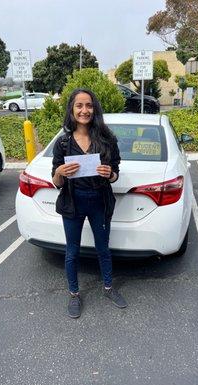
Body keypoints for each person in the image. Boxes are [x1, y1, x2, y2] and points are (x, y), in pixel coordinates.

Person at [52, 88, 127, 318]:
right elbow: (56, 182)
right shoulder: (63, 143)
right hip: (73, 203)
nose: (84, 110)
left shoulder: (107, 139)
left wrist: (110, 174)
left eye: (89, 106)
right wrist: (61, 172)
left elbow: (115, 172)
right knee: (72, 252)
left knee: (103, 248)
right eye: (79, 106)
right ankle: (74, 294)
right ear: (72, 109)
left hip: (99, 201)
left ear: (95, 109)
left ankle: (108, 287)